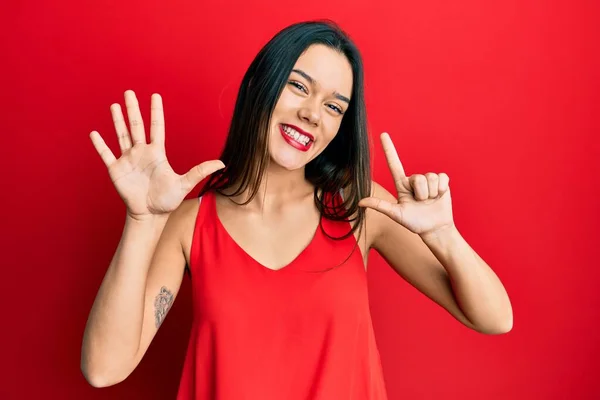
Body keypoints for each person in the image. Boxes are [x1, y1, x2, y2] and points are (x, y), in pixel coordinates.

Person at [81, 20, 513, 399]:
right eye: (298, 86)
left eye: (333, 106)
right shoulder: (190, 224)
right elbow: (103, 369)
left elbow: (495, 319)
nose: (311, 113)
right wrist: (142, 222)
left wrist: (443, 236)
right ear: (260, 86)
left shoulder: (359, 206)